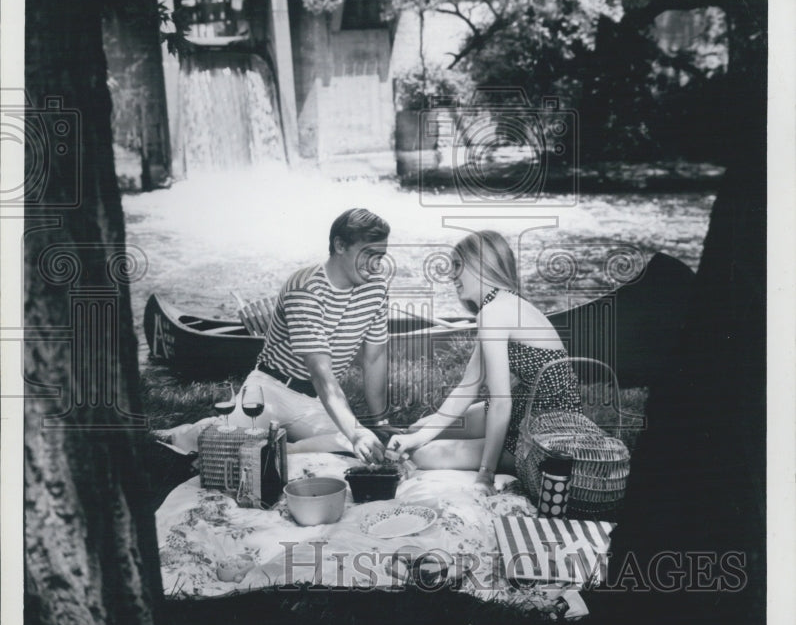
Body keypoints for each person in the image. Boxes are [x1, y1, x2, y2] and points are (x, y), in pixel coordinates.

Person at [164, 209, 394, 463]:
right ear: (340, 245)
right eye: (368, 255)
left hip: (315, 401)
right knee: (223, 447)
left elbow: (374, 358)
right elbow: (320, 373)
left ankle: (278, 450)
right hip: (270, 389)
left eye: (380, 256)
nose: (375, 265)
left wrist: (378, 422)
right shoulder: (305, 288)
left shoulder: (377, 287)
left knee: (360, 448)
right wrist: (357, 431)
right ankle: (184, 435)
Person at [386, 230, 581, 492]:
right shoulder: (499, 306)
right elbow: (468, 385)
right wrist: (417, 437)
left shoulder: (495, 312)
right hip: (527, 411)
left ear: (482, 265)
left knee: (425, 455)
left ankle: (492, 458)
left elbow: (502, 401)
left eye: (458, 266)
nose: (450, 275)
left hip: (548, 436)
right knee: (417, 428)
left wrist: (486, 474)